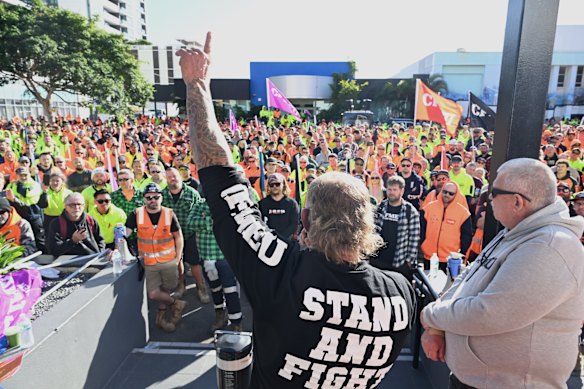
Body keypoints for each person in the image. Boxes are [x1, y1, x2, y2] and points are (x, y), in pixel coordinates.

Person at [177, 32, 415, 388]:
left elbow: (218, 170)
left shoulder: (279, 272)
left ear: (304, 220)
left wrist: (197, 86)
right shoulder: (401, 294)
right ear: (370, 222)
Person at [421, 158, 584, 389]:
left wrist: (430, 316)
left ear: (517, 202)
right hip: (479, 380)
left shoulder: (550, 245)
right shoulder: (518, 231)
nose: (488, 198)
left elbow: (489, 313)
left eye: (493, 192)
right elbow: (468, 280)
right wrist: (437, 328)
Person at [125, 183, 186, 333]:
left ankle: (162, 319)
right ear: (144, 199)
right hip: (149, 262)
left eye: (156, 197)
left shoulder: (169, 214)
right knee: (153, 293)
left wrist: (178, 257)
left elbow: (178, 236)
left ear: (161, 197)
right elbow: (124, 235)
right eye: (149, 197)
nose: (152, 200)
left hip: (169, 261)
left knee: (166, 288)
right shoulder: (136, 214)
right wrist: (118, 249)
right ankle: (176, 304)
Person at [162, 167, 209, 302]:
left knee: (195, 263)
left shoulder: (192, 193)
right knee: (177, 261)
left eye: (175, 175)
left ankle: (201, 288)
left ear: (180, 176)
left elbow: (202, 212)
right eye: (169, 176)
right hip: (171, 236)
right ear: (166, 179)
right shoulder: (162, 195)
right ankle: (180, 286)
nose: (173, 178)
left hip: (190, 234)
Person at [371, 175, 420, 279]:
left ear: (401, 191)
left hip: (399, 262)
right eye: (389, 189)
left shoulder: (410, 211)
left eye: (394, 189)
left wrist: (408, 262)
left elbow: (414, 239)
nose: (391, 192)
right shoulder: (380, 207)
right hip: (378, 260)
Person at [420, 182, 472, 270]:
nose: (447, 195)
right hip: (429, 257)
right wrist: (422, 245)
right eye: (445, 192)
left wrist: (462, 254)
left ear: (456, 195)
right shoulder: (428, 208)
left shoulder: (463, 213)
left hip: (451, 260)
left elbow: (466, 236)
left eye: (451, 193)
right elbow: (421, 229)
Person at [258, 173, 299, 239]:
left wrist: (281, 237)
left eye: (277, 184)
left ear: (283, 185)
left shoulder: (292, 203)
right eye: (271, 185)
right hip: (268, 239)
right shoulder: (262, 204)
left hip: (286, 241)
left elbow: (294, 224)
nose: (274, 187)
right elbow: (259, 222)